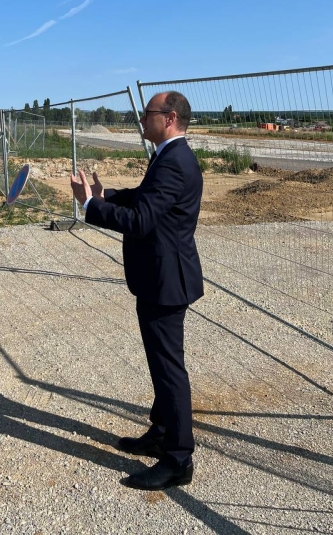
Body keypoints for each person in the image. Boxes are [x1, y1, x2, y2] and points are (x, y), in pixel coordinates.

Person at [71, 91, 203, 491]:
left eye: (148, 114)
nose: (142, 120)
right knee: (162, 364)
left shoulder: (175, 162)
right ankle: (161, 432)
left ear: (170, 118)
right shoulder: (168, 156)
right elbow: (145, 199)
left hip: (167, 282)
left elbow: (142, 220)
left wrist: (92, 207)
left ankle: (179, 458)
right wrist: (106, 195)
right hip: (158, 277)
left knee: (169, 370)